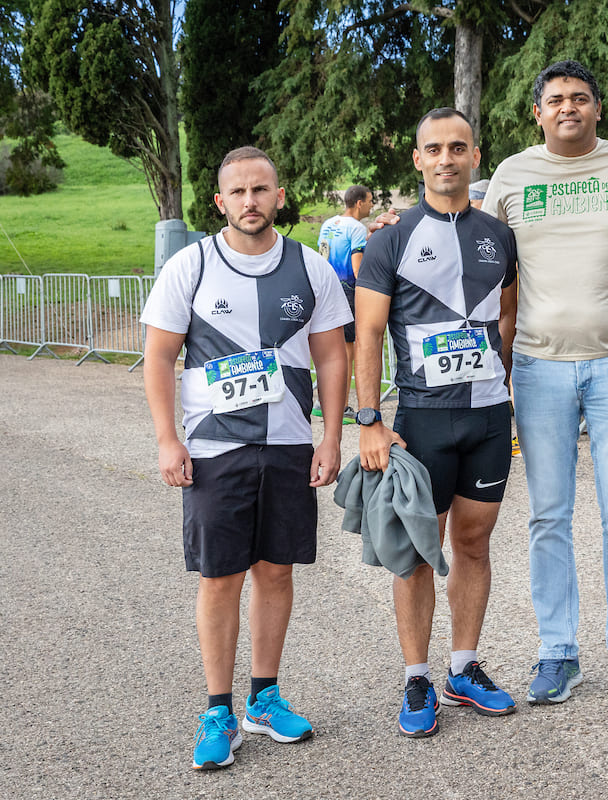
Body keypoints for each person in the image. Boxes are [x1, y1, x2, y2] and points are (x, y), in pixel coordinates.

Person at [141, 146, 352, 770]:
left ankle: (265, 697)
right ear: (220, 201)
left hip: (287, 444)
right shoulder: (191, 266)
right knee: (220, 577)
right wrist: (166, 439)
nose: (251, 201)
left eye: (262, 190)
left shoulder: (311, 268)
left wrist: (332, 435)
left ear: (278, 196)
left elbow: (333, 356)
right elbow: (158, 357)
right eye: (238, 192)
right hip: (213, 448)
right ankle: (217, 709)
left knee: (276, 572)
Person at [481, 60, 608, 704]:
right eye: (557, 99)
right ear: (537, 112)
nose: (569, 107)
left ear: (598, 109)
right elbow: (478, 260)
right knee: (548, 516)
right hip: (538, 365)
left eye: (581, 98)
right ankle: (557, 652)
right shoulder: (511, 176)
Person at [354, 108, 519, 738]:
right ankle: (416, 675)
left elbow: (506, 320)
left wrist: (505, 394)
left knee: (474, 543)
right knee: (420, 553)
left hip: (485, 417)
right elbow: (368, 332)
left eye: (458, 147)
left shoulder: (498, 235)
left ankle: (463, 666)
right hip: (421, 417)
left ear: (476, 156)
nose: (446, 159)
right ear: (418, 159)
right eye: (434, 149)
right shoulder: (390, 238)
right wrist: (368, 418)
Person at [317, 185, 374, 420]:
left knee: (327, 350)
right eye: (370, 201)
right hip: (349, 291)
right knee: (347, 352)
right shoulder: (357, 228)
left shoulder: (328, 224)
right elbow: (357, 266)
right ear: (359, 203)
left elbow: (321, 256)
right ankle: (342, 405)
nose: (372, 205)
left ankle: (323, 403)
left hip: (325, 289)